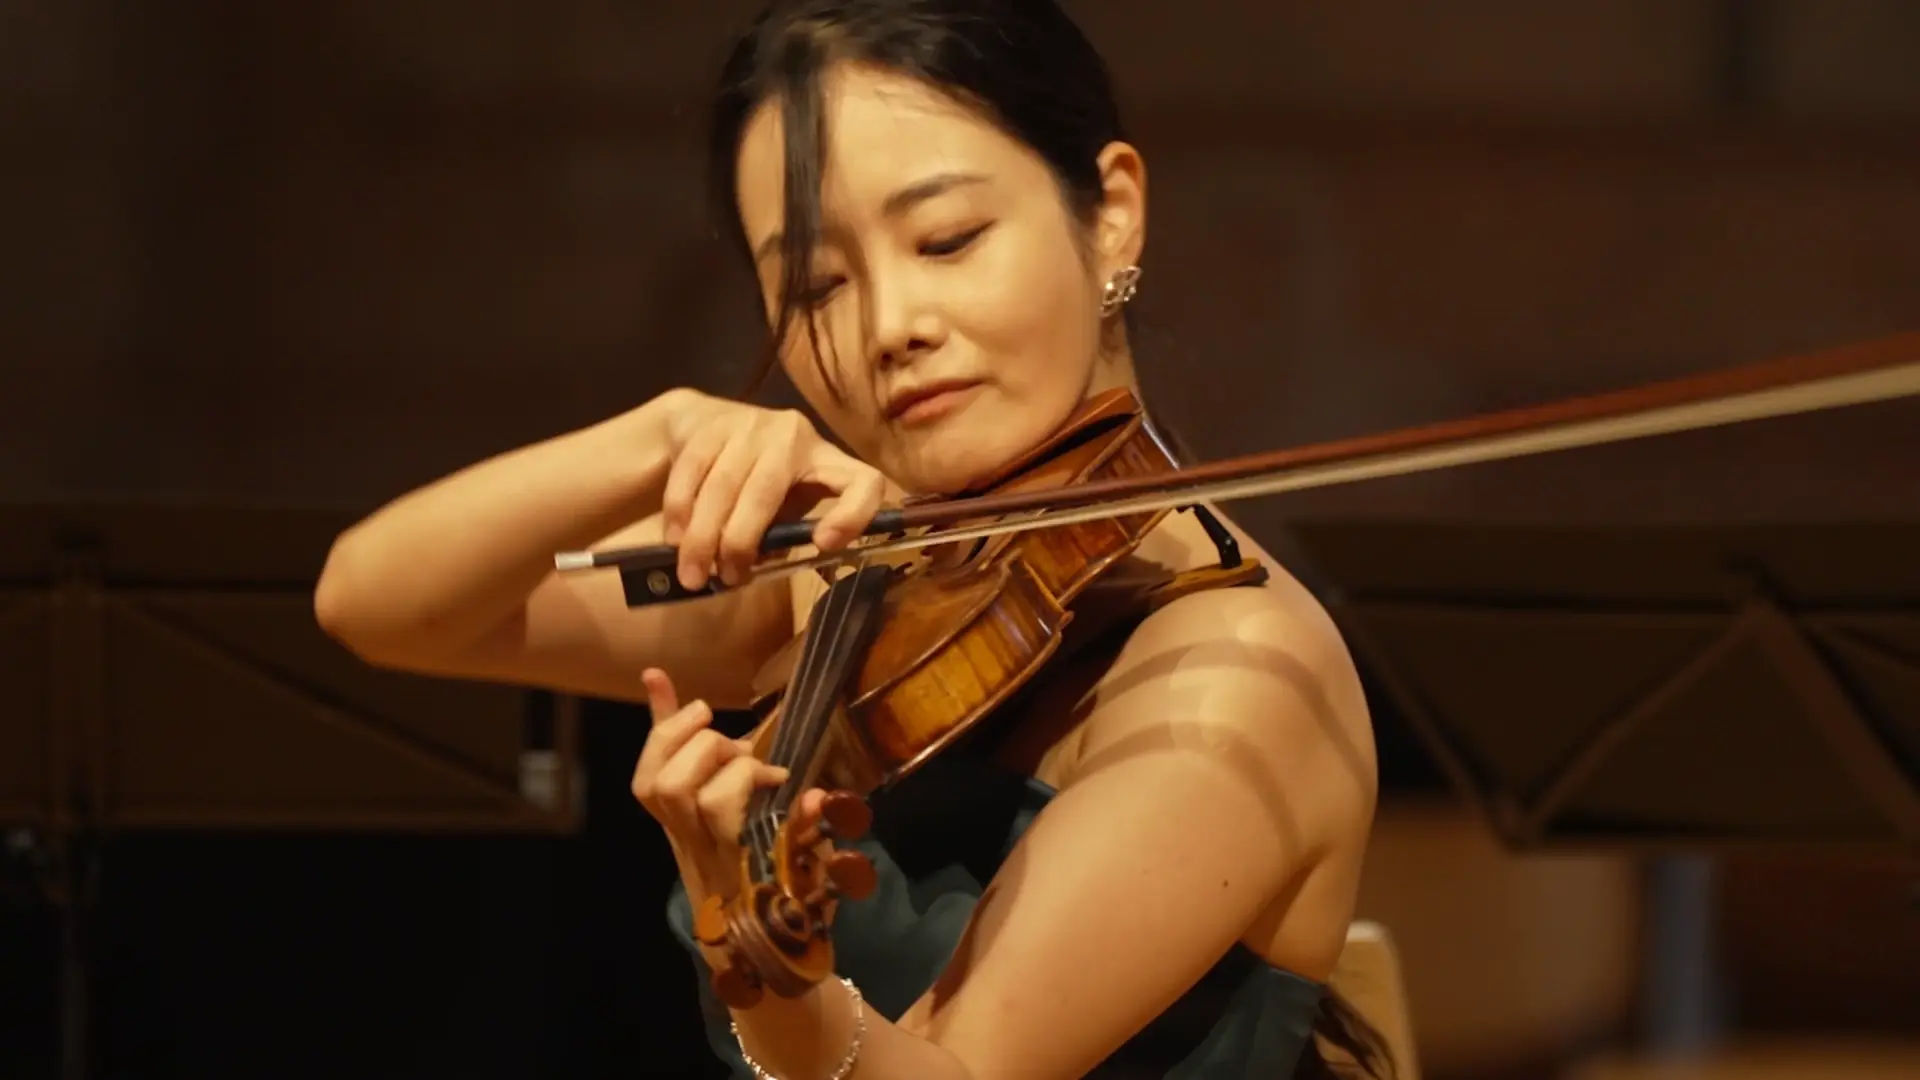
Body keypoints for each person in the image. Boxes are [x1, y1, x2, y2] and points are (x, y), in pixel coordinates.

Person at [314, 1, 1393, 1077]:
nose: (889, 329)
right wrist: (659, 436)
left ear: (1110, 213)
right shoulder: (851, 581)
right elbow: (376, 602)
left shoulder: (1236, 674)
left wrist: (767, 968)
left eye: (948, 240)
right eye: (815, 286)